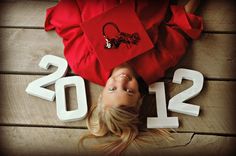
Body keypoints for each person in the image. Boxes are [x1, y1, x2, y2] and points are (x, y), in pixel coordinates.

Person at [44, 0, 202, 155]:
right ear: (139, 97)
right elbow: (181, 25)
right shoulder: (157, 64)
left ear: (101, 95)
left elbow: (68, 21)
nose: (122, 80)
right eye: (129, 90)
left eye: (112, 89)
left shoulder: (83, 62)